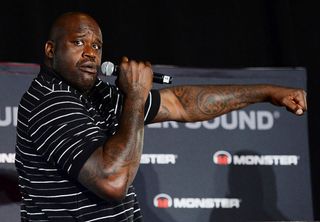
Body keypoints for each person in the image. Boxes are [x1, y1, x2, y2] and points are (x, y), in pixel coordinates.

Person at [15, 12, 307, 222]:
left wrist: (267, 92)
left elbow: (180, 103)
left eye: (97, 45)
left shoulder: (94, 93)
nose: (91, 53)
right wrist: (135, 97)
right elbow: (113, 181)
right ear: (51, 50)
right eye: (79, 42)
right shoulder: (50, 102)